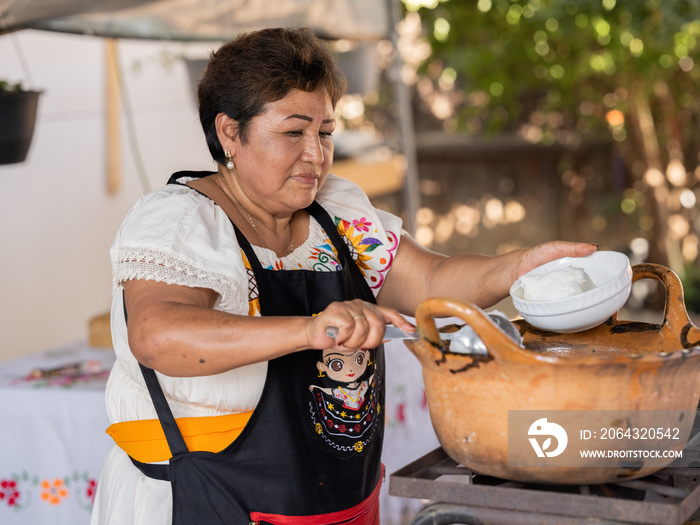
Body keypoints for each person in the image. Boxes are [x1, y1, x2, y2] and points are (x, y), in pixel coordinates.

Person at [90, 27, 597, 524]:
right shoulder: (179, 220)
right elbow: (158, 335)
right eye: (293, 132)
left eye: (325, 132)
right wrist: (312, 329)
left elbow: (429, 283)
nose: (316, 154)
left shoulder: (338, 212)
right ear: (229, 132)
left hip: (334, 504)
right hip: (204, 501)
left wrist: (517, 267)